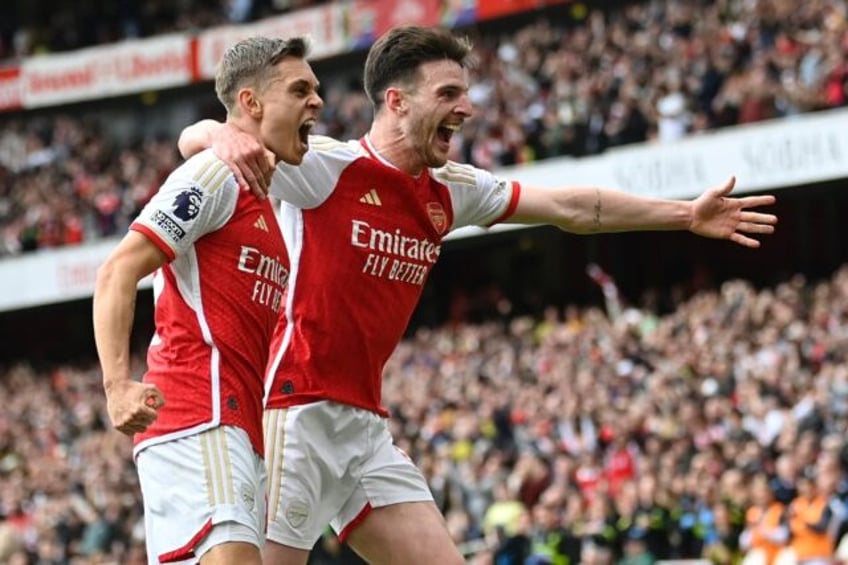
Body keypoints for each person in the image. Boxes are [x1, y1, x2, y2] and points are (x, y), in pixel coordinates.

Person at [177, 24, 778, 565]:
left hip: (364, 428)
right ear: (396, 101)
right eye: (448, 94)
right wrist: (213, 133)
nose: (466, 108)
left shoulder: (452, 190)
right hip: (294, 413)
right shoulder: (324, 169)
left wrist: (683, 214)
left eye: (465, 93)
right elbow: (202, 138)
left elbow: (571, 207)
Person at [93, 36, 322, 564]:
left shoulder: (266, 193)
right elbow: (118, 270)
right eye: (300, 89)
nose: (318, 101)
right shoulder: (216, 174)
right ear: (252, 103)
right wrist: (116, 385)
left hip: (233, 427)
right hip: (201, 414)